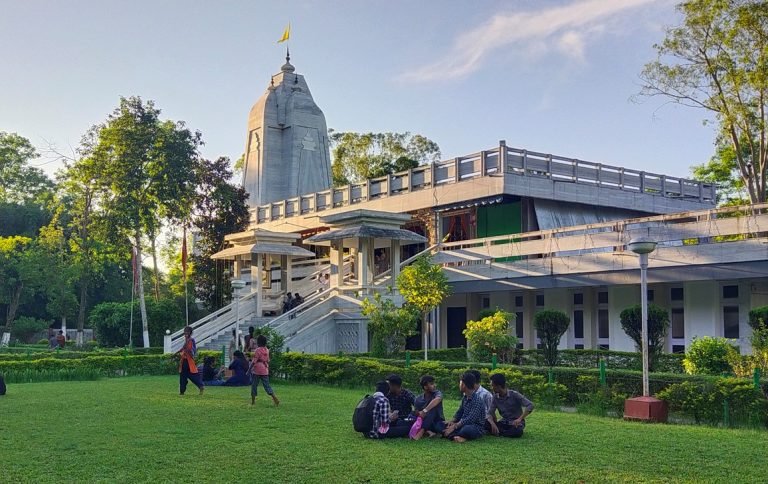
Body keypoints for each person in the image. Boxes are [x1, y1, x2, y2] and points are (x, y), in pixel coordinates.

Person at [487, 373, 534, 438]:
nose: (492, 388)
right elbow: (490, 413)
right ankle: (502, 432)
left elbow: (530, 405)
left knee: (518, 431)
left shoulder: (514, 394)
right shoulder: (495, 397)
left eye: (492, 386)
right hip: (504, 422)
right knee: (485, 423)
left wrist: (520, 419)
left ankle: (500, 433)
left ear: (499, 386)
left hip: (515, 424)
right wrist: (492, 424)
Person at [442, 372, 485, 442]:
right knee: (443, 425)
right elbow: (460, 412)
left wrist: (454, 426)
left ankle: (457, 435)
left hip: (475, 427)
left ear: (463, 385)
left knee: (466, 430)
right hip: (461, 424)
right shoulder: (465, 397)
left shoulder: (477, 400)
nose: (459, 385)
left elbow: (471, 419)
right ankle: (455, 435)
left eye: (460, 383)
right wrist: (451, 421)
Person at [411, 375, 445, 440]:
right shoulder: (418, 399)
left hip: (437, 421)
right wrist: (418, 413)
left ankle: (422, 432)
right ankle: (429, 431)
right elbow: (417, 413)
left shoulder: (437, 393)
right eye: (432, 384)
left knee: (432, 409)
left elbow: (438, 399)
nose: (435, 385)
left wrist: (425, 410)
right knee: (411, 416)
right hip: (424, 421)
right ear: (425, 387)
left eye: (434, 383)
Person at [250, 335, 280, 406]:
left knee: (254, 385)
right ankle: (275, 398)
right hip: (264, 369)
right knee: (267, 386)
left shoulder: (257, 350)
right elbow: (268, 360)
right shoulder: (267, 350)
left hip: (257, 370)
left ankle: (253, 402)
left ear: (258, 342)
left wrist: (249, 370)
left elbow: (254, 361)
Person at [178, 326, 204, 396]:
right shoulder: (188, 340)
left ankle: (182, 392)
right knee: (189, 375)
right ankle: (200, 386)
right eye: (185, 331)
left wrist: (185, 351)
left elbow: (190, 350)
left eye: (187, 331)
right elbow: (184, 349)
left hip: (187, 361)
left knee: (186, 376)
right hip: (185, 361)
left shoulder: (190, 340)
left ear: (190, 333)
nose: (186, 333)